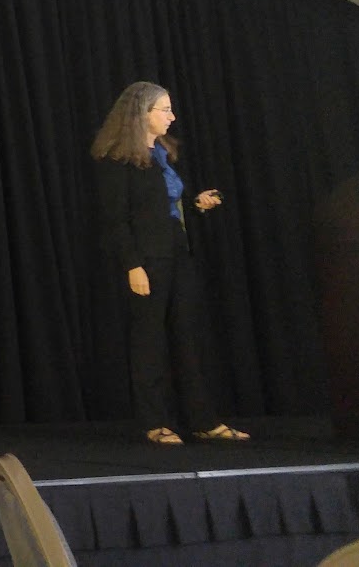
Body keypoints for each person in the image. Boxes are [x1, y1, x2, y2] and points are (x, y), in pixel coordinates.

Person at [91, 81, 249, 446]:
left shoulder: (162, 154)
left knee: (186, 336)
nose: (172, 116)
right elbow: (117, 220)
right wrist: (133, 265)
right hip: (146, 259)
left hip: (177, 252)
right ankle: (154, 421)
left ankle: (202, 419)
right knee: (149, 340)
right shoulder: (117, 159)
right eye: (164, 109)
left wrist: (196, 204)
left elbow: (162, 208)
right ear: (141, 113)